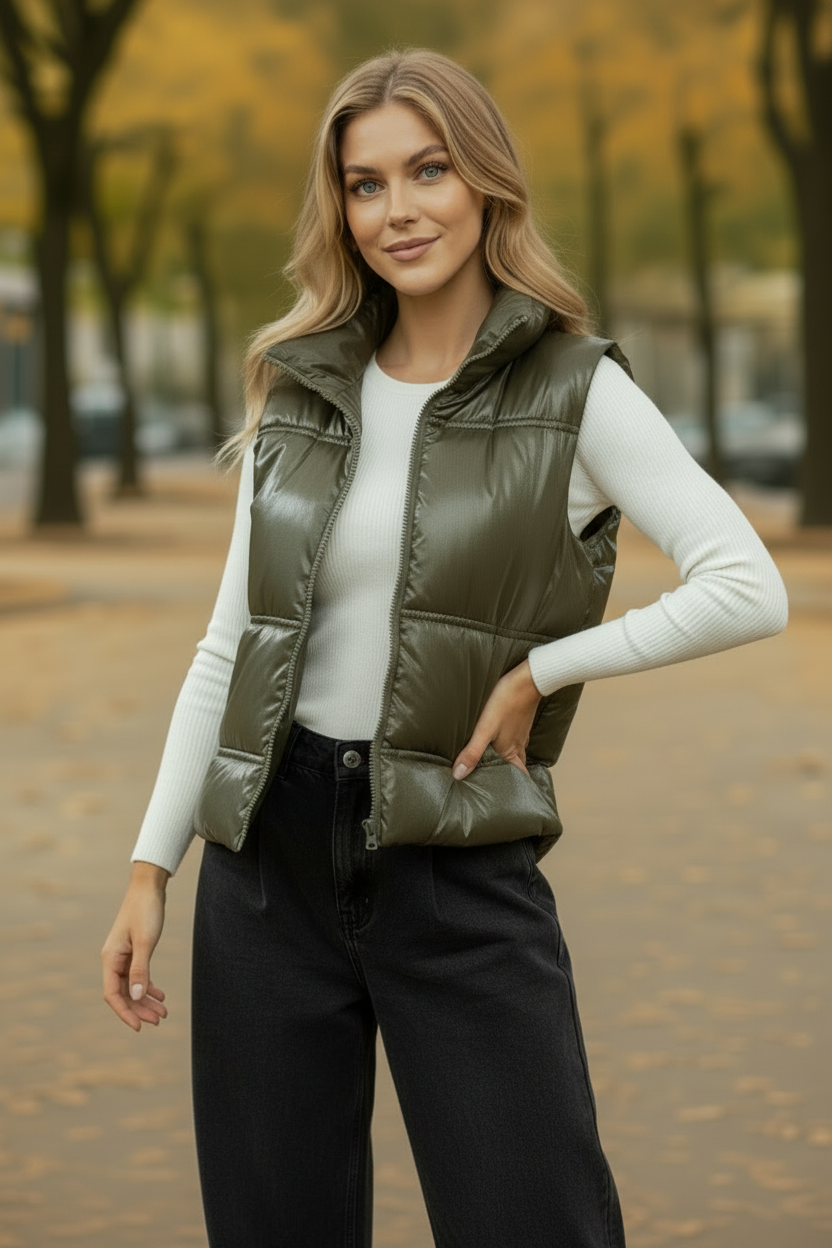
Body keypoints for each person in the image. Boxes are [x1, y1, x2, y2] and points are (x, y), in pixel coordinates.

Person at [101, 47, 788, 1248]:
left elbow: (747, 586)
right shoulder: (300, 387)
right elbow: (230, 647)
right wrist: (152, 868)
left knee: (538, 1221)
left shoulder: (576, 389)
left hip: (457, 861)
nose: (396, 210)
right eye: (364, 184)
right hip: (266, 868)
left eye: (427, 171)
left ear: (485, 185)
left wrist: (545, 670)